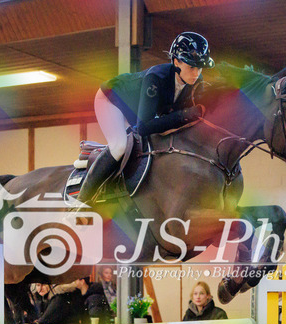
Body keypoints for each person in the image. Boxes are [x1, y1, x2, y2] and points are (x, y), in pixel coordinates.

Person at [77, 31, 215, 205]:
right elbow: (143, 128)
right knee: (119, 146)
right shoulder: (156, 78)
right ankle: (81, 201)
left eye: (199, 68)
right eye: (191, 67)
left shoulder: (195, 82)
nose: (196, 73)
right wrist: (184, 115)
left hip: (136, 109)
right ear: (176, 62)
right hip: (112, 99)